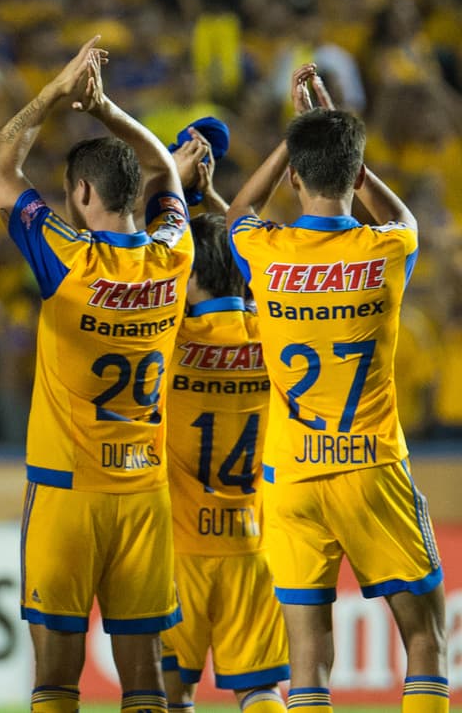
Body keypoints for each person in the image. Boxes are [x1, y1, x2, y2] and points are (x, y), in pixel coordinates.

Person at [0, 38, 193, 713]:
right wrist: (107, 110)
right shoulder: (172, 256)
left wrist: (58, 94)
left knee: (55, 681)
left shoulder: (67, 258)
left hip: (67, 491)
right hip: (142, 491)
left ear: (84, 191)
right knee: (145, 683)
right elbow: (168, 171)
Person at [227, 65, 448, 713]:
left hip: (291, 477)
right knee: (426, 639)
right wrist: (343, 154)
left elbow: (237, 211)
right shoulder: (386, 250)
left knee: (307, 661)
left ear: (294, 178)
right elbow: (402, 215)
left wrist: (295, 139)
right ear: (356, 177)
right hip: (370, 468)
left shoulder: (266, 252)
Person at [159, 193, 289, 711]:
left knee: (171, 693)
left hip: (178, 547)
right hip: (253, 544)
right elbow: (258, 259)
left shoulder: (170, 338)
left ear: (190, 277)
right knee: (260, 690)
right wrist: (221, 214)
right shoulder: (273, 334)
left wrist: (173, 187)